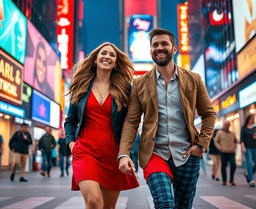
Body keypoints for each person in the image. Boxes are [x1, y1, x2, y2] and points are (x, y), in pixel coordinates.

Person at [118, 28, 216, 209]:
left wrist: (201, 145)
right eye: (155, 45)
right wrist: (124, 153)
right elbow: (131, 121)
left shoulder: (193, 79)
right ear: (150, 50)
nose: (159, 48)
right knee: (164, 203)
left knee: (183, 205)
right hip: (154, 154)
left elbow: (209, 114)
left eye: (164, 44)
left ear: (174, 48)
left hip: (187, 154)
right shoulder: (139, 83)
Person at [64, 42, 139, 209]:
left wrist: (126, 152)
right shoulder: (81, 87)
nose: (107, 56)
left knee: (108, 207)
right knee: (93, 202)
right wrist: (71, 144)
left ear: (116, 63)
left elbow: (131, 122)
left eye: (112, 55)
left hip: (113, 154)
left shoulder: (125, 88)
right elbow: (70, 121)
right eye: (103, 53)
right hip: (85, 152)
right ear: (95, 59)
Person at [214, 120, 238, 186]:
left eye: (228, 124)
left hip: (231, 152)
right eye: (225, 124)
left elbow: (236, 141)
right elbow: (216, 141)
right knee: (224, 166)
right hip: (223, 152)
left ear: (229, 125)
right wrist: (220, 148)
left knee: (233, 165)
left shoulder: (232, 133)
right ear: (223, 125)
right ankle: (224, 180)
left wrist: (234, 147)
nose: (226, 125)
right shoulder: (220, 133)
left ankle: (231, 180)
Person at [241, 114, 256, 187]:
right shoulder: (244, 128)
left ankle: (248, 173)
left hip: (255, 147)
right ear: (248, 119)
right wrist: (243, 147)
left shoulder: (255, 127)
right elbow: (242, 139)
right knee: (249, 163)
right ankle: (251, 180)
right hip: (247, 148)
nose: (253, 120)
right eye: (252, 118)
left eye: (254, 119)